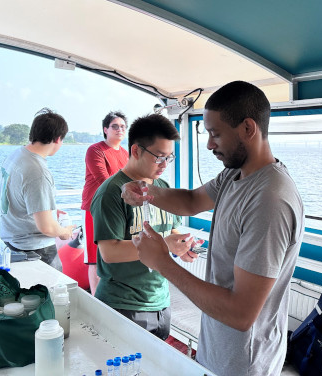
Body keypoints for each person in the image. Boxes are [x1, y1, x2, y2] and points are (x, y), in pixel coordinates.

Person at [124, 81, 304, 375]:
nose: (209, 144)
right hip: (219, 349)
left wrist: (161, 263)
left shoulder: (269, 200)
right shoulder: (235, 174)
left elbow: (242, 313)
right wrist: (147, 191)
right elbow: (193, 200)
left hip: (243, 362)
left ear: (248, 128)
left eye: (215, 134)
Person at [90, 113, 199, 340]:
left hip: (160, 301)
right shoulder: (111, 192)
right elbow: (109, 252)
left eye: (169, 158)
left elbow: (171, 229)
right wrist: (165, 246)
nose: (164, 165)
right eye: (159, 157)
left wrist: (181, 243)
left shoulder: (163, 187)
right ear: (136, 150)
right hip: (123, 304)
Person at [0, 108, 76, 271]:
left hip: (12, 241)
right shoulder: (38, 172)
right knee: (51, 293)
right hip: (35, 249)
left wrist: (49, 211)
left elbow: (20, 197)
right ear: (57, 138)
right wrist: (64, 232)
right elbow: (46, 227)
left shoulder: (16, 155)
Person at [81, 111, 129, 295]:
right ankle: (96, 298)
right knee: (94, 257)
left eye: (123, 126)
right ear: (105, 129)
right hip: (95, 208)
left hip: (118, 210)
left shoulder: (125, 154)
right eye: (115, 126)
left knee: (115, 253)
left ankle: (113, 295)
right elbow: (105, 180)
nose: (119, 129)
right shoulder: (95, 150)